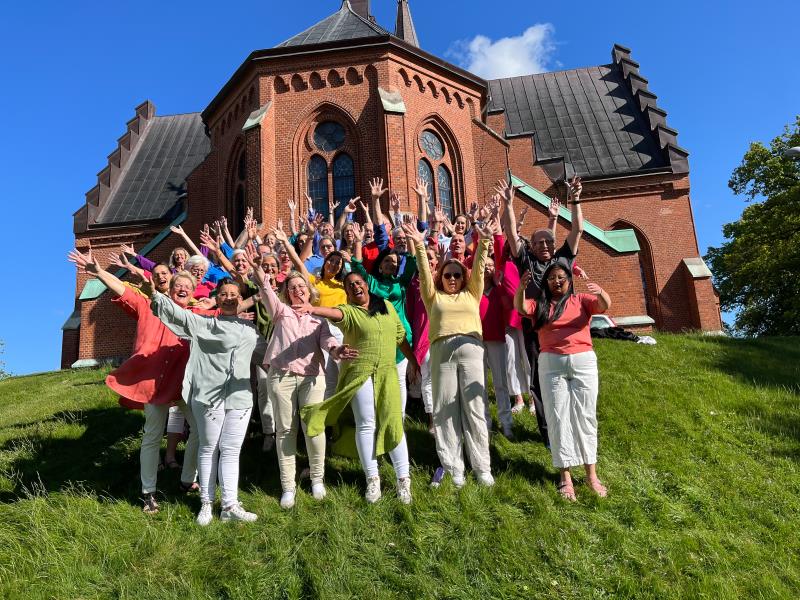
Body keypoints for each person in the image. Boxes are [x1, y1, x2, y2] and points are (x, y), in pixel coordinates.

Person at [67, 250, 199, 514]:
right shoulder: (149, 305)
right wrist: (99, 271)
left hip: (183, 384)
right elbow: (124, 291)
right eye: (178, 285)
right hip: (152, 382)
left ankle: (187, 479)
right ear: (170, 289)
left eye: (187, 286)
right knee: (152, 435)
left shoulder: (196, 316)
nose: (182, 289)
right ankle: (148, 492)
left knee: (200, 430)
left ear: (192, 292)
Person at [300, 272, 420, 504]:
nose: (355, 286)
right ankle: (372, 479)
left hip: (387, 373)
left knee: (394, 423)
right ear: (347, 291)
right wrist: (312, 309)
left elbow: (400, 336)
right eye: (350, 285)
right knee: (366, 424)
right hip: (359, 374)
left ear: (366, 285)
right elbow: (335, 313)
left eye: (359, 282)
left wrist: (413, 361)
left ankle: (403, 480)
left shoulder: (385, 306)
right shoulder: (350, 312)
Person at [151, 279, 260, 525]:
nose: (230, 297)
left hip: (240, 397)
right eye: (224, 294)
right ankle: (207, 503)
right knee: (209, 447)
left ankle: (230, 505)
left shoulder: (250, 330)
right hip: (209, 396)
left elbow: (270, 354)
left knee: (231, 450)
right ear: (217, 299)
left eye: (234, 294)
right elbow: (178, 315)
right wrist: (158, 296)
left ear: (240, 300)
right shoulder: (204, 323)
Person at [403, 217, 496, 488]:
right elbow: (423, 270)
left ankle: (482, 468)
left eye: (457, 274)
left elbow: (479, 267)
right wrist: (420, 246)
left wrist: (485, 240)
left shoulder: (472, 293)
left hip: (470, 348)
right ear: (440, 277)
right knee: (445, 409)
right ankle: (453, 466)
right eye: (447, 274)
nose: (452, 278)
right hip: (442, 350)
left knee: (475, 408)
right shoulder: (433, 297)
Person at [499, 175, 585, 444]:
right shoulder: (525, 260)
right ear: (531, 247)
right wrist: (509, 205)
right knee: (538, 379)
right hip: (535, 330)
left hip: (566, 331)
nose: (545, 246)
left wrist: (576, 199)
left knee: (569, 379)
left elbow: (578, 230)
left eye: (549, 242)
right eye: (539, 243)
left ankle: (573, 426)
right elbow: (512, 236)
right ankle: (548, 433)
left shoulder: (562, 259)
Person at [515, 264, 611, 502]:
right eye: (552, 278)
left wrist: (599, 290)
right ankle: (565, 477)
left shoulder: (581, 300)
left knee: (586, 416)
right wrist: (521, 288)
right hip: (551, 364)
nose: (557, 281)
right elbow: (520, 306)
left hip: (583, 361)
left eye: (561, 277)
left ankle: (592, 475)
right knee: (557, 417)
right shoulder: (541, 305)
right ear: (546, 283)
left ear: (569, 280)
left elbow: (604, 305)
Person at [255, 266, 340, 509]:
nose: (298, 290)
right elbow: (265, 288)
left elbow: (328, 341)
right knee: (285, 430)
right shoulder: (281, 311)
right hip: (281, 376)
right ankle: (288, 486)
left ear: (309, 290)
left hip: (312, 377)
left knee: (313, 429)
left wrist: (336, 350)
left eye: (301, 286)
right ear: (287, 293)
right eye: (292, 288)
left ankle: (317, 479)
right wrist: (257, 267)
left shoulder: (318, 318)